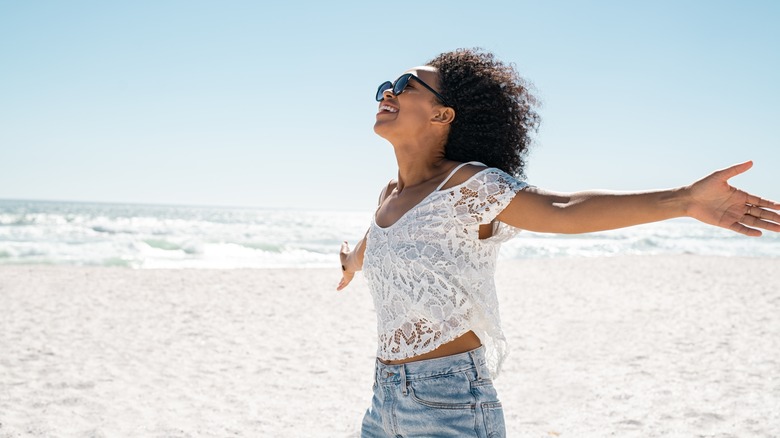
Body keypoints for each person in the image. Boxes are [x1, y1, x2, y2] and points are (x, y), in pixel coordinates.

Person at [336, 48, 779, 438]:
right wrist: (350, 261)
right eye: (383, 87)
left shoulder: (469, 185)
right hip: (382, 402)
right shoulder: (389, 196)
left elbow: (562, 208)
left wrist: (683, 200)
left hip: (447, 402)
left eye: (402, 86)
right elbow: (375, 245)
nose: (386, 94)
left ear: (442, 114)